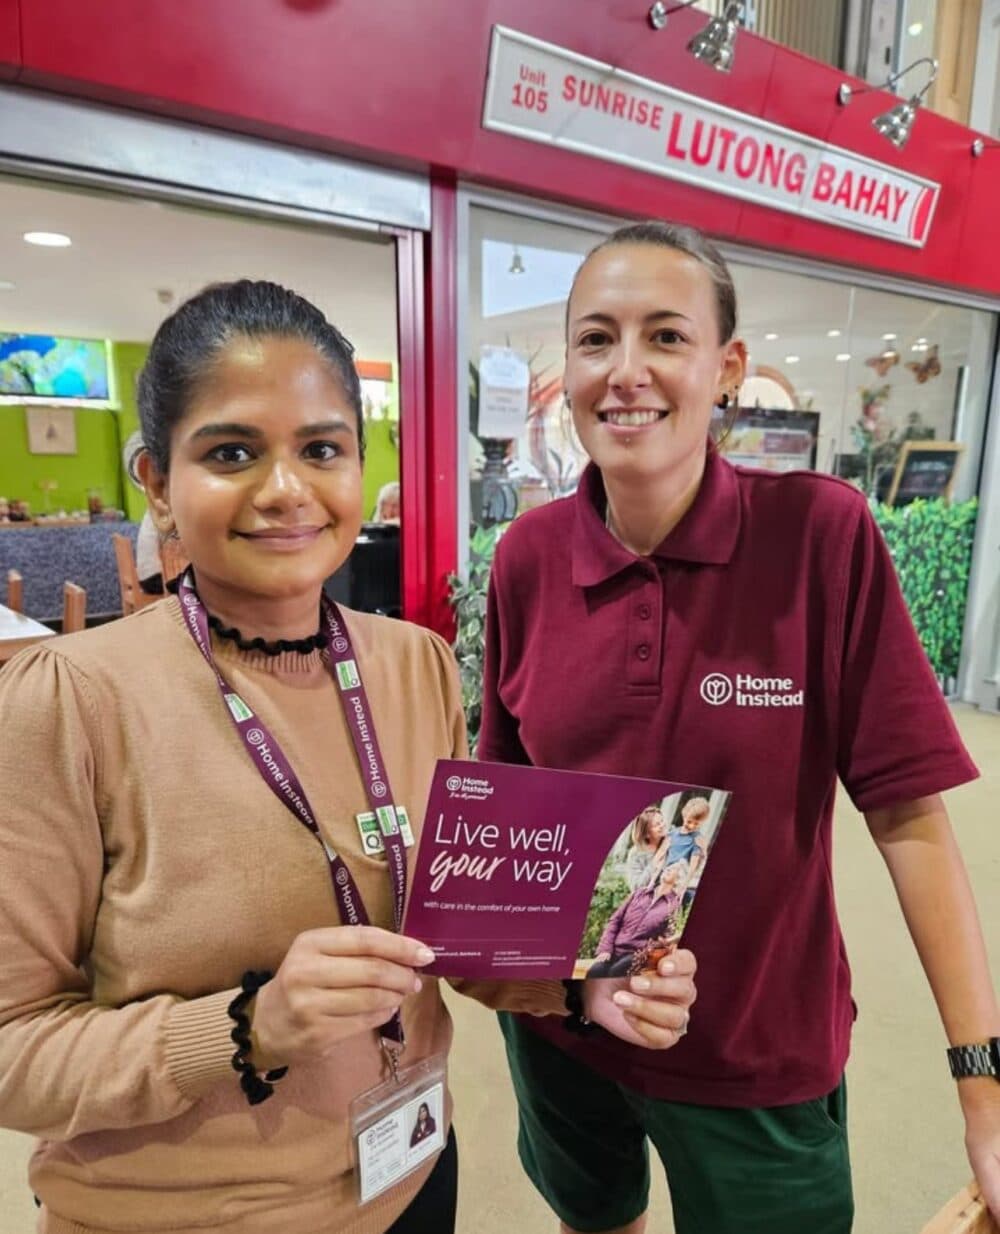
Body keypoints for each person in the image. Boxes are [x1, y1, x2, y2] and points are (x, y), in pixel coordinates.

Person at [0, 278, 694, 1234]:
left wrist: (582, 982)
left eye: (321, 449)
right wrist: (250, 1027)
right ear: (156, 481)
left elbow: (454, 929)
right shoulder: (69, 702)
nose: (286, 490)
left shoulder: (412, 664)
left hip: (408, 1177)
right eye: (232, 451)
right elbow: (12, 1052)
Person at [479, 221, 1000, 1234]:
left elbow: (912, 825)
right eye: (596, 340)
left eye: (664, 336)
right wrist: (567, 992)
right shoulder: (526, 560)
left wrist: (982, 1088)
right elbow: (513, 827)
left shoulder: (821, 536)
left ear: (726, 368)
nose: (625, 371)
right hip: (566, 1035)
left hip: (760, 1052)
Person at [588, 864, 684, 979]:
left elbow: (667, 938)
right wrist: (605, 949)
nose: (668, 869)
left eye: (674, 869)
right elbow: (615, 920)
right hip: (614, 949)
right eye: (668, 867)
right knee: (594, 971)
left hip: (637, 954)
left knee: (615, 972)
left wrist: (649, 949)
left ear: (678, 879)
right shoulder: (639, 893)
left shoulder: (673, 906)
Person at [623, 804, 665, 890]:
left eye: (662, 821)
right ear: (647, 834)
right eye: (657, 824)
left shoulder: (672, 842)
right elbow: (636, 886)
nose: (662, 825)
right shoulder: (636, 853)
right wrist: (658, 856)